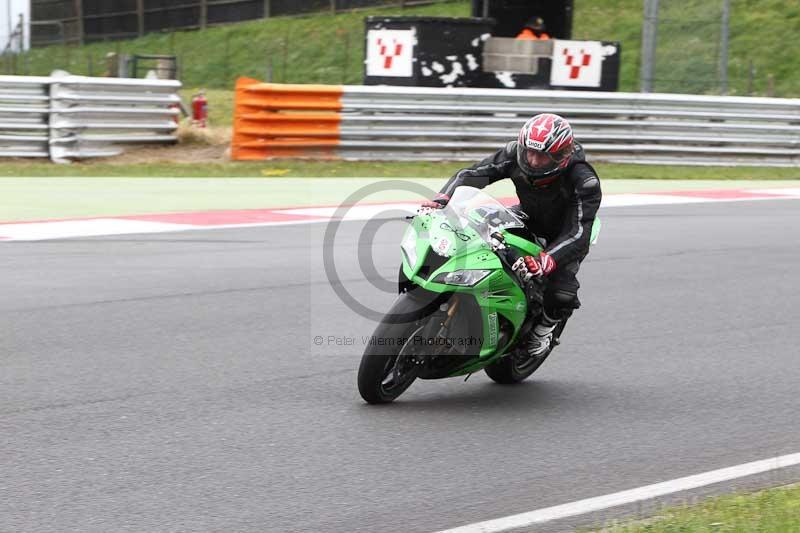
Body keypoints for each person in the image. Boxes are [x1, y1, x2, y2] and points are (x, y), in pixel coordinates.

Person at [420, 113, 602, 357]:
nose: (534, 161)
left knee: (561, 292)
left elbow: (579, 232)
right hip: (526, 216)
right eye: (530, 152)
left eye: (542, 156)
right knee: (476, 234)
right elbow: (472, 175)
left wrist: (548, 260)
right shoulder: (514, 154)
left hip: (563, 236)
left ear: (560, 156)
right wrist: (443, 198)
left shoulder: (584, 180)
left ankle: (543, 332)